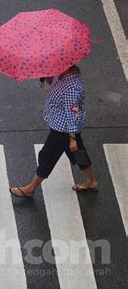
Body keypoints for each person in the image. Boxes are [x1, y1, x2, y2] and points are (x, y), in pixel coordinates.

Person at [9, 65, 98, 198]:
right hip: (62, 125)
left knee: (47, 156)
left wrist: (72, 138)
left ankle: (30, 188)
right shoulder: (62, 74)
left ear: (67, 65)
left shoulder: (72, 87)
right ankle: (91, 181)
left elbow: (73, 113)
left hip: (64, 130)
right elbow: (53, 83)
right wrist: (47, 75)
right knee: (78, 153)